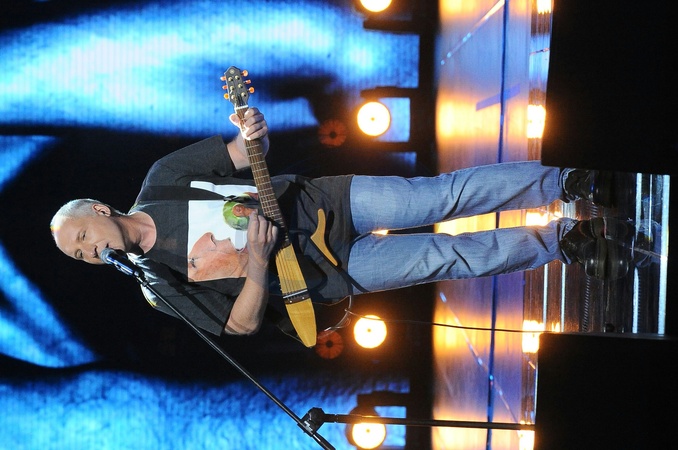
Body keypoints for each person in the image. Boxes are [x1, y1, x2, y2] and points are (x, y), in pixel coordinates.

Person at [50, 107, 632, 339]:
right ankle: (564, 240)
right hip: (328, 275)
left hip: (327, 202)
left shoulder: (163, 178)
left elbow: (245, 153)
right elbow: (239, 326)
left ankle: (566, 182)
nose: (87, 252)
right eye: (77, 256)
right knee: (447, 257)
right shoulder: (157, 288)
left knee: (441, 197)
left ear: (99, 210)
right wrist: (258, 266)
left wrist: (253, 130)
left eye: (81, 238)